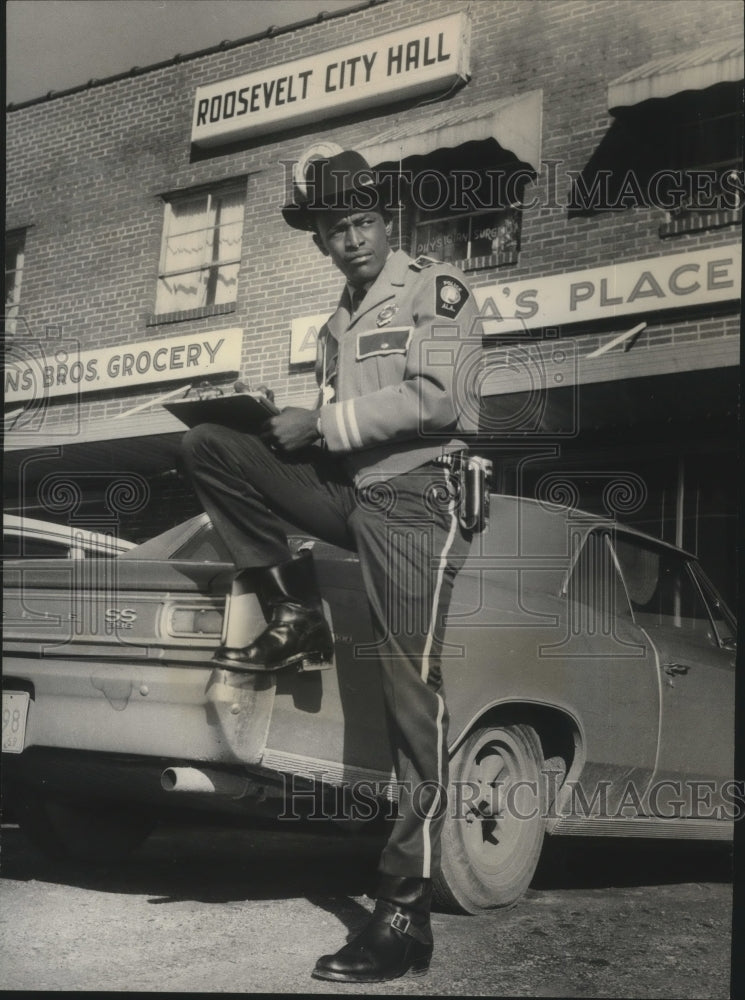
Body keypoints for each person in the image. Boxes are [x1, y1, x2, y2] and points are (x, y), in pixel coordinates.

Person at [181, 150, 483, 983]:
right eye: (332, 228)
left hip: (419, 497)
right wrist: (287, 425)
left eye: (361, 222)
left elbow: (443, 399)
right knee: (212, 443)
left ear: (389, 223)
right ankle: (295, 608)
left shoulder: (436, 288)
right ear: (317, 241)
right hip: (351, 496)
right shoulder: (335, 322)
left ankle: (402, 911)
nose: (349, 239)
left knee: (406, 695)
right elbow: (323, 431)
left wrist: (324, 423)